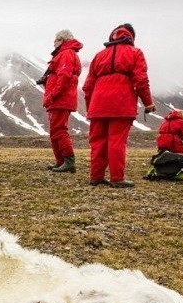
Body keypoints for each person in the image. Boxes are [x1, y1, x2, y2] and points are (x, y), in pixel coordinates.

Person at [82, 23, 156, 188]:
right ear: (131, 37)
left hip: (98, 105)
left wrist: (90, 108)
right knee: (116, 141)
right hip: (121, 104)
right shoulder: (135, 53)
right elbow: (141, 80)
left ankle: (96, 176)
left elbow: (87, 87)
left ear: (112, 36)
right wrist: (148, 103)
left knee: (97, 142)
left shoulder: (99, 55)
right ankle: (117, 178)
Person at [40, 29, 83, 173]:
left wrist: (53, 95)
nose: (54, 43)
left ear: (62, 40)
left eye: (56, 40)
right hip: (59, 99)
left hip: (60, 99)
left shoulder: (66, 54)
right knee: (55, 131)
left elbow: (64, 76)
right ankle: (61, 162)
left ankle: (69, 162)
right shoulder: (65, 54)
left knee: (59, 131)